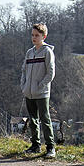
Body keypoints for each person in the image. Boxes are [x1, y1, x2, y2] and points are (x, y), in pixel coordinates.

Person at [20, 23, 56, 159]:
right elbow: (23, 70)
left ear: (43, 36)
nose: (34, 38)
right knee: (33, 119)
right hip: (29, 92)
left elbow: (51, 72)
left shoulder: (47, 52)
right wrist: (23, 86)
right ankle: (35, 145)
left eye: (37, 35)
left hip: (41, 93)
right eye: (32, 35)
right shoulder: (30, 53)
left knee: (45, 119)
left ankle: (50, 147)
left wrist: (41, 85)